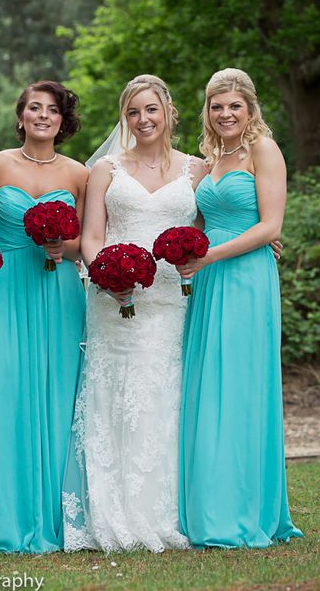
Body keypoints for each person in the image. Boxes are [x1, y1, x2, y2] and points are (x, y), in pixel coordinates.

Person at [62, 74, 208, 552]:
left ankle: (160, 511)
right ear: (124, 118)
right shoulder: (107, 169)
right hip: (112, 299)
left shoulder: (197, 170)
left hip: (170, 300)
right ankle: (109, 511)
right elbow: (91, 237)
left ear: (168, 111)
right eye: (132, 112)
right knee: (112, 396)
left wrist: (263, 234)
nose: (142, 120)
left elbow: (212, 226)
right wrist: (108, 277)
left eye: (150, 109)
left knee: (161, 396)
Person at [178, 67, 303, 548]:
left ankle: (243, 509)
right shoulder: (208, 159)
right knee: (210, 385)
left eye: (234, 105)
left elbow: (271, 226)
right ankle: (209, 502)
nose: (225, 113)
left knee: (240, 385)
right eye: (216, 105)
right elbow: (200, 220)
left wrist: (211, 252)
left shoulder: (263, 150)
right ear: (207, 111)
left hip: (246, 278)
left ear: (250, 108)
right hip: (207, 280)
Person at [0, 80, 88, 553]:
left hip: (58, 290)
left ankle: (59, 511)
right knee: (4, 390)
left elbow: (87, 243)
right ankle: (3, 507)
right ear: (21, 115)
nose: (43, 116)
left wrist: (59, 247)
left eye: (52, 110)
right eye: (34, 108)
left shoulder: (81, 174)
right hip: (2, 289)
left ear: (63, 121)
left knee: (58, 391)